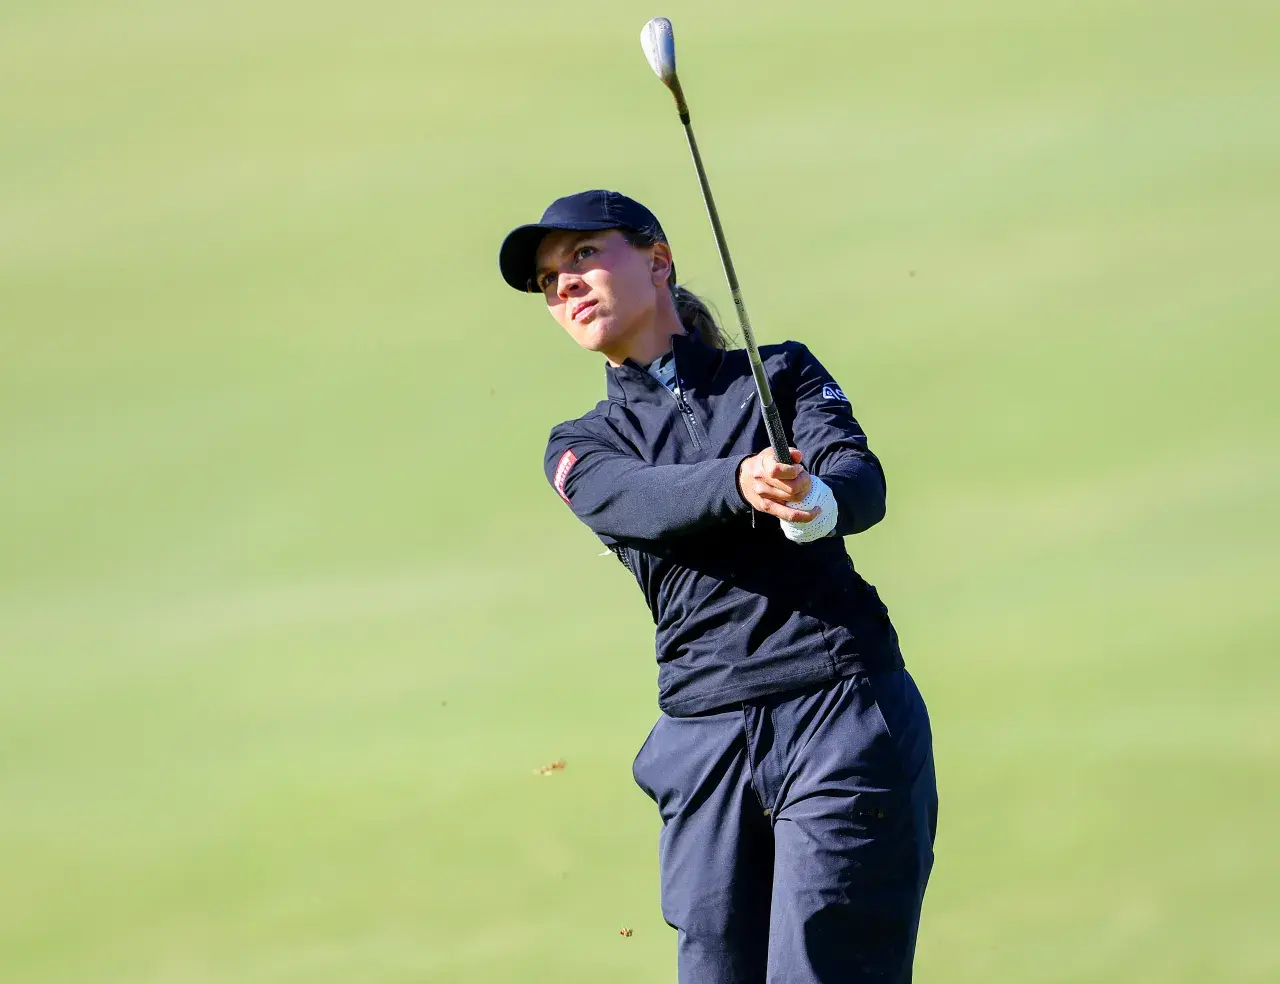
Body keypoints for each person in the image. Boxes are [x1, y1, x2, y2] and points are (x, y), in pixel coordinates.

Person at [498, 189, 938, 984]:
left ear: (658, 261)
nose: (565, 284)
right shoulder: (581, 447)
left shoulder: (780, 374)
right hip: (705, 742)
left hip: (839, 711)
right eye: (548, 280)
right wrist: (741, 481)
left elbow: (857, 476)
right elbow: (641, 501)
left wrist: (818, 502)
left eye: (584, 255)